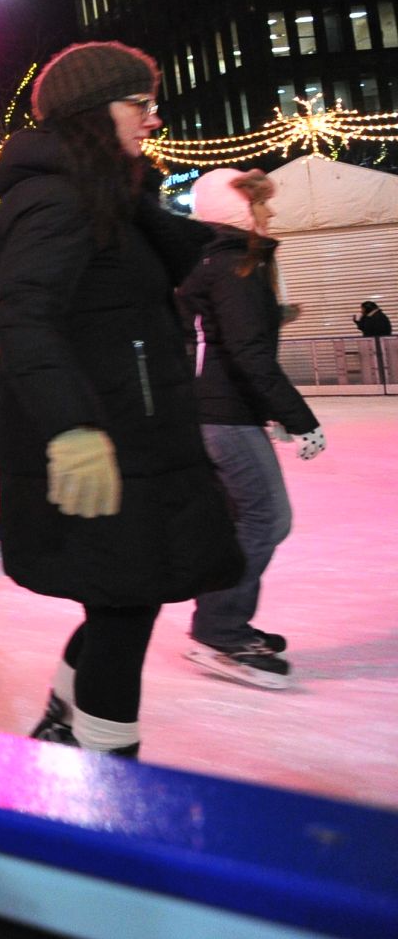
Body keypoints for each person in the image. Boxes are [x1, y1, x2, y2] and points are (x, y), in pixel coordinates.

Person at [0, 41, 241, 759]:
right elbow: (26, 316)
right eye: (140, 103)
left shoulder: (107, 197)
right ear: (94, 112)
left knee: (123, 599)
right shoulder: (57, 197)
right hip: (104, 443)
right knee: (126, 604)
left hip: (136, 437)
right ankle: (106, 778)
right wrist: (72, 427)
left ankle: (64, 728)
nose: (153, 119)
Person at [177, 168, 326, 689]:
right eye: (260, 203)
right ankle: (221, 629)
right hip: (221, 415)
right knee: (266, 517)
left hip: (221, 411)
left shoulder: (222, 260)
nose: (270, 212)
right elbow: (246, 350)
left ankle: (219, 620)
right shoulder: (236, 263)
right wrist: (297, 416)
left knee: (248, 519)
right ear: (239, 209)